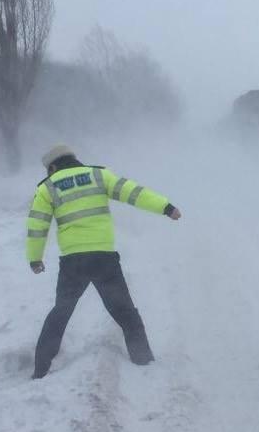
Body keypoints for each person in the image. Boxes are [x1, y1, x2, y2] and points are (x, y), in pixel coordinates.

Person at [26, 144, 182, 377]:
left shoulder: (47, 188)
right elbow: (134, 193)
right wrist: (166, 207)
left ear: (53, 166)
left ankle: (40, 371)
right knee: (125, 312)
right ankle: (143, 360)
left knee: (60, 313)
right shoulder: (98, 175)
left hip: (73, 262)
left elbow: (37, 227)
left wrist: (35, 259)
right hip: (104, 259)